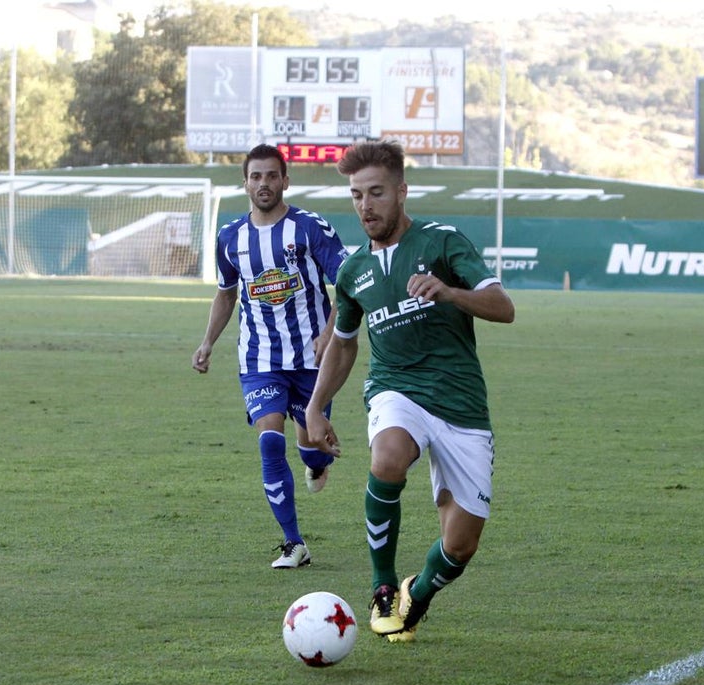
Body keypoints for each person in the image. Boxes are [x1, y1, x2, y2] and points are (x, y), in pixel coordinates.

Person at [305, 140, 515, 642]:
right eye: (357, 195)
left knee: (460, 547)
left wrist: (449, 292)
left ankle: (415, 595)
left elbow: (503, 307)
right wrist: (315, 407)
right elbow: (343, 344)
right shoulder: (353, 271)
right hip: (396, 389)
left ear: (402, 191)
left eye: (376, 193)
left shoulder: (442, 243)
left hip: (461, 404)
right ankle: (380, 585)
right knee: (388, 459)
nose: (365, 205)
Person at [192, 144, 349, 569]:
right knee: (268, 440)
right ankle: (294, 543)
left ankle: (316, 463)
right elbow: (226, 294)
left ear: (285, 181)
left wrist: (329, 332)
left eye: (271, 176)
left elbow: (348, 284)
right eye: (255, 176)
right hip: (259, 358)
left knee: (310, 446)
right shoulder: (230, 238)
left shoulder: (310, 229)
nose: (263, 183)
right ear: (245, 182)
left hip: (312, 360)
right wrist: (208, 342)